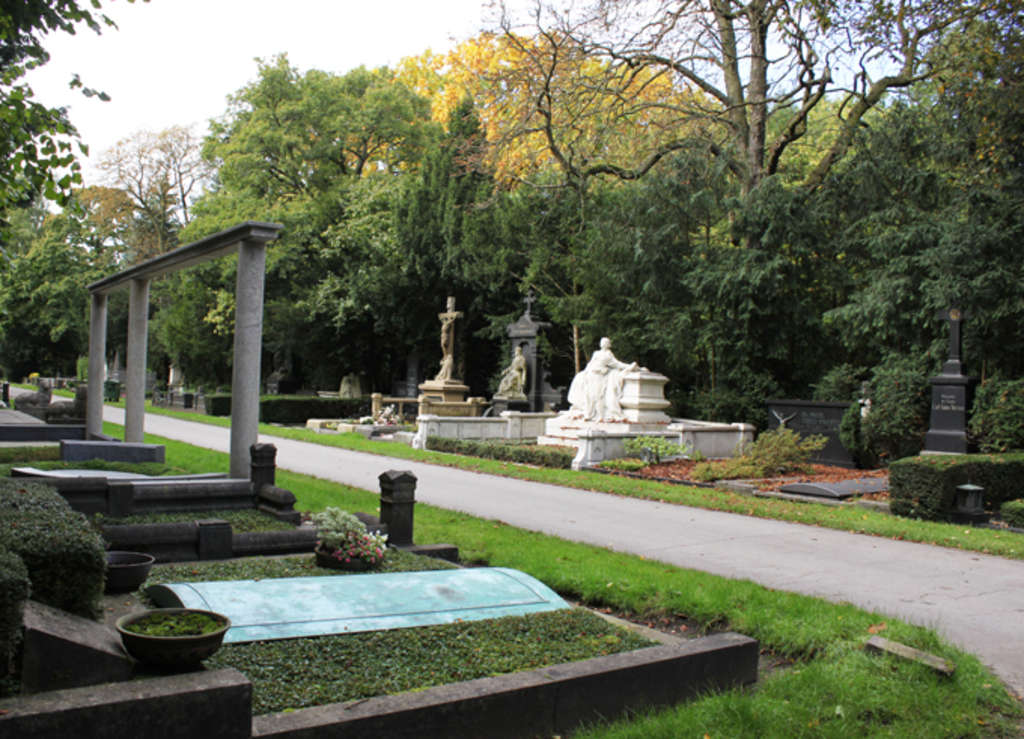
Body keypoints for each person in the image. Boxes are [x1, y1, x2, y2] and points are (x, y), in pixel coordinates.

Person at [567, 337, 639, 421]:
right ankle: (588, 414)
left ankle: (600, 416)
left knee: (598, 396)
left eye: (605, 342)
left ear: (608, 345)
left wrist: (630, 367)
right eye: (602, 342)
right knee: (589, 395)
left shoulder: (608, 354)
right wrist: (585, 372)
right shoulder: (596, 353)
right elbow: (590, 364)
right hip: (591, 375)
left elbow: (617, 364)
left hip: (599, 376)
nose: (603, 344)